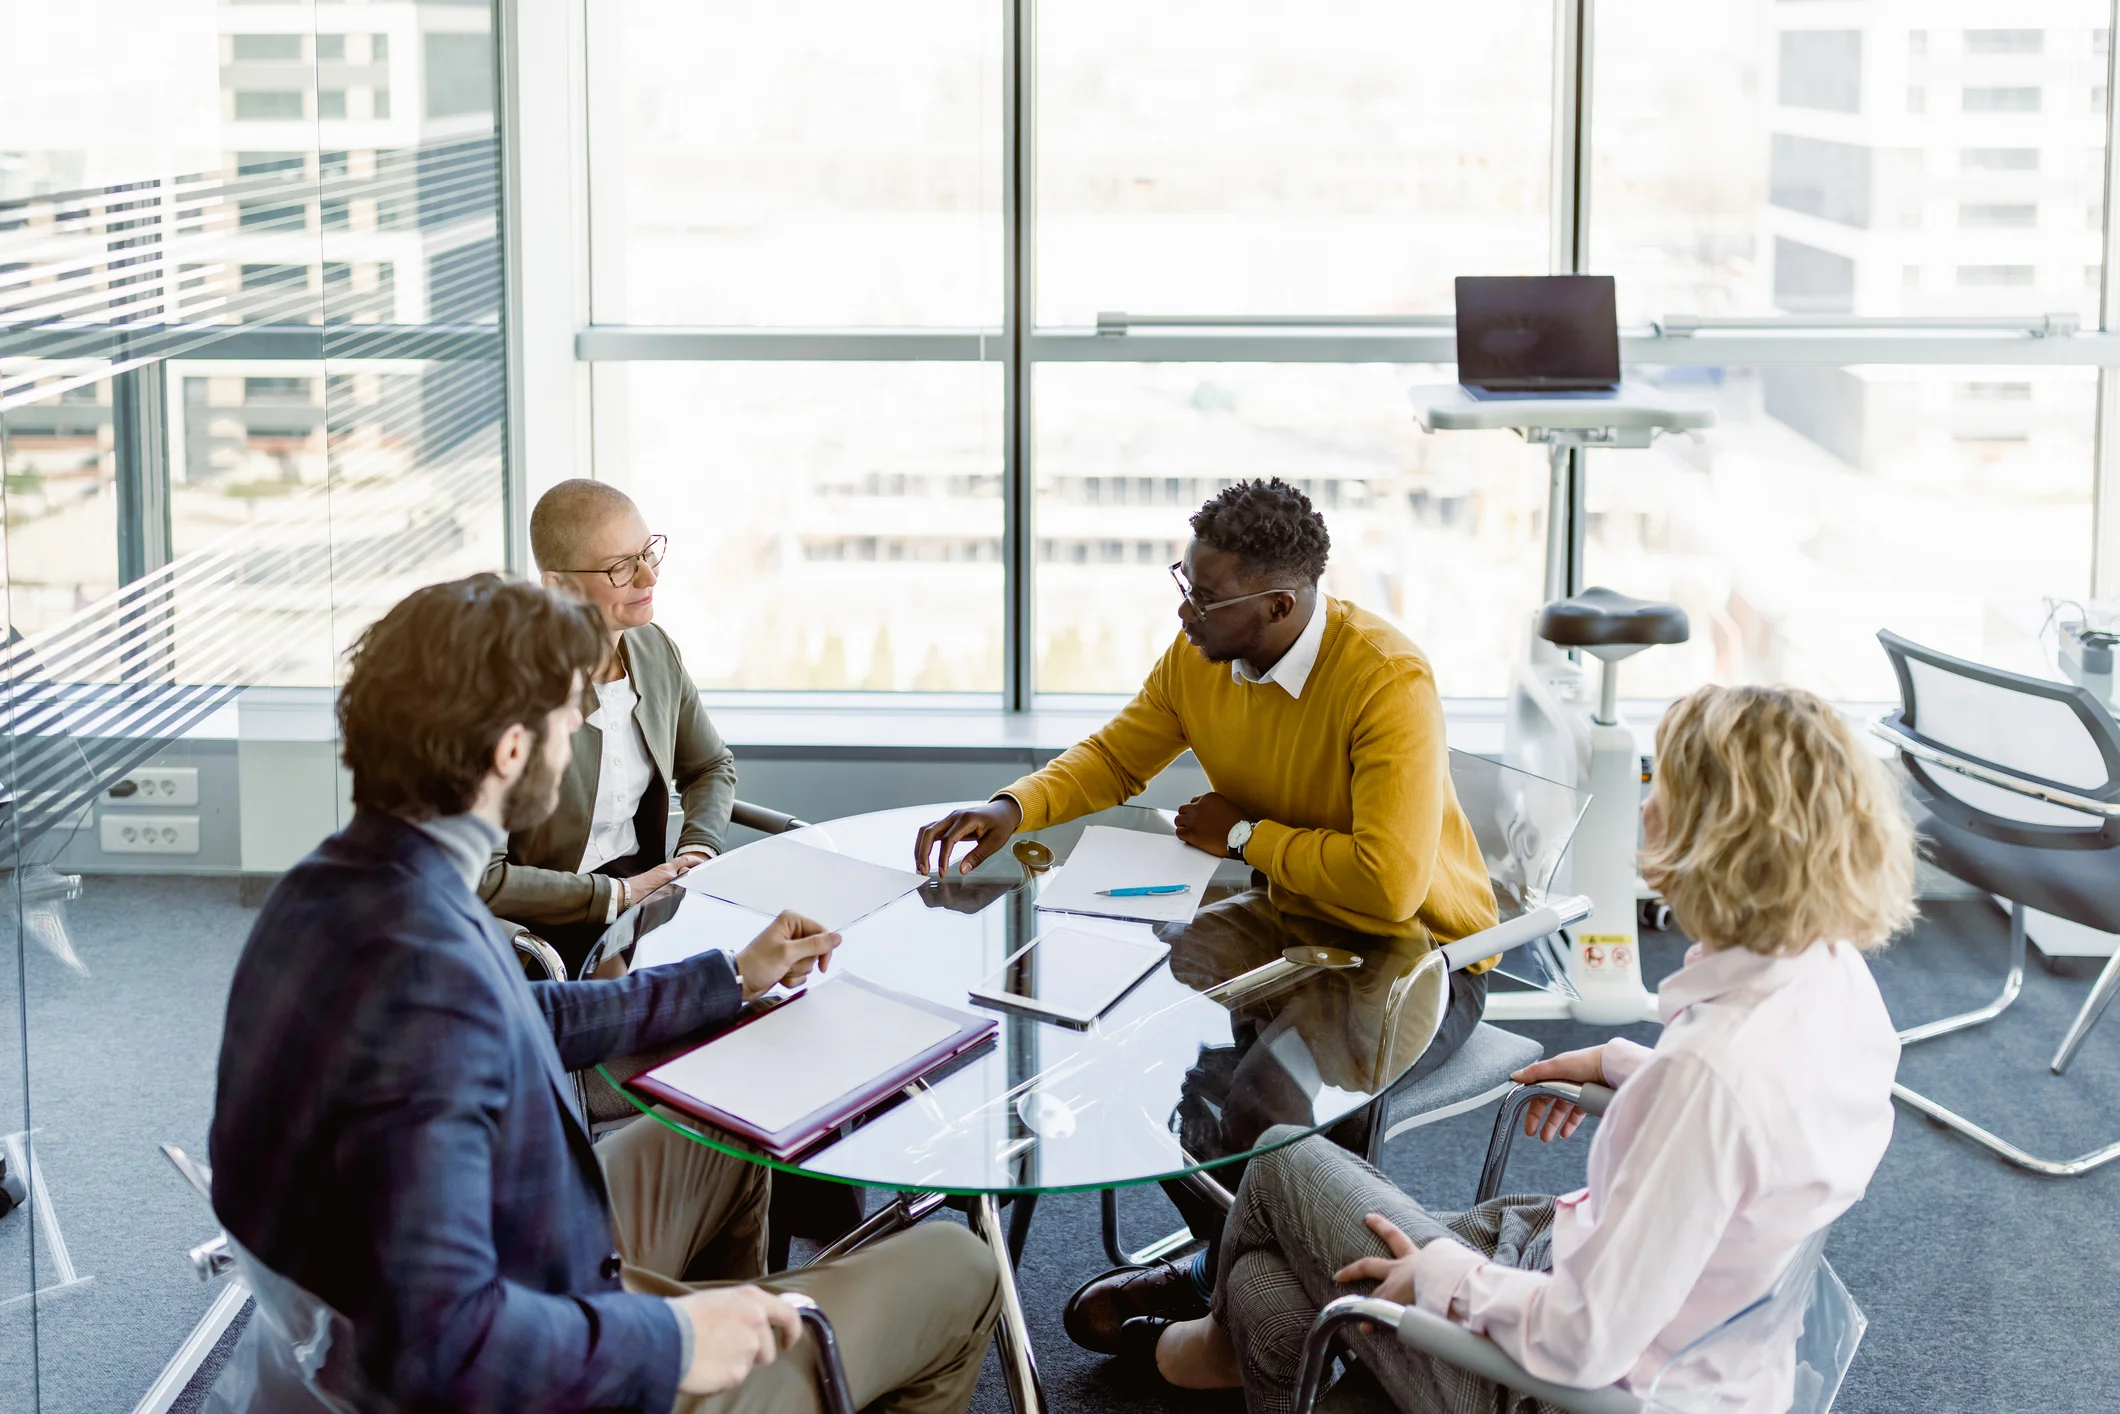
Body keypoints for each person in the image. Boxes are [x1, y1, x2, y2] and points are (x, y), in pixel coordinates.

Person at [211, 575, 1000, 1414]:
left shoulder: (342, 887)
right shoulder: (425, 983)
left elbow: (518, 1020)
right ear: (512, 753)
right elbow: (443, 1345)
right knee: (959, 1266)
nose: (576, 732)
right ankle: (718, 1373)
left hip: (499, 1271)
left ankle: (749, 1375)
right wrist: (678, 1341)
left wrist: (730, 978)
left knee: (719, 1131)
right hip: (523, 1371)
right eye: (567, 716)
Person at [1140, 683, 1913, 1414]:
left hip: (1556, 1384)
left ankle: (1219, 1342)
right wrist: (1632, 1071)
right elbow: (1765, 1137)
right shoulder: (1834, 981)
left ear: (1721, 839)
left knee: (1279, 1158)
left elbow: (1585, 1342)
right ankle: (1249, 1339)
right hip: (1611, 1278)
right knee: (1265, 1293)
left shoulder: (1709, 1079)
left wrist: (1446, 1277)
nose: (1645, 807)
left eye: (1662, 787)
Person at [912, 477, 1499, 1350]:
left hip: (1417, 954)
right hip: (1289, 915)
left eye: (1206, 595)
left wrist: (1247, 834)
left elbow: (1388, 886)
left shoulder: (1386, 678)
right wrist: (1014, 807)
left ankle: (1282, 1307)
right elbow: (1120, 754)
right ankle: (1238, 1264)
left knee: (1265, 1096)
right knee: (1117, 1042)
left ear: (1277, 604)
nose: (1184, 610)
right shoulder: (1202, 658)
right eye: (1183, 582)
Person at [481, 478, 736, 976]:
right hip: (538, 919)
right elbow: (482, 878)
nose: (648, 577)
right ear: (559, 587)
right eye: (621, 566)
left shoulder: (655, 649)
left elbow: (710, 766)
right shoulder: (508, 688)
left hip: (646, 900)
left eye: (647, 552)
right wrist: (620, 895)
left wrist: (698, 850)